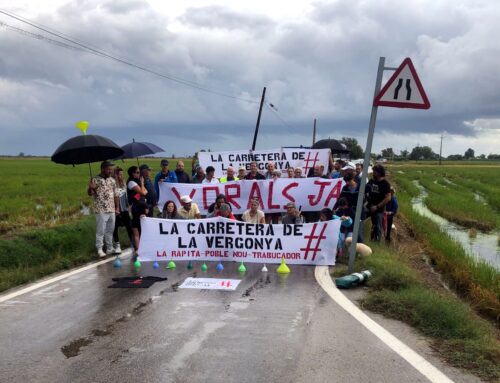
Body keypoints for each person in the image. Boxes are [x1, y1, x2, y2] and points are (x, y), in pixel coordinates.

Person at [87, 161, 120, 257]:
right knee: (101, 230)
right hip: (100, 208)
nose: (110, 171)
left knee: (110, 230)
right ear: (102, 169)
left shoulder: (112, 180)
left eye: (111, 169)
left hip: (111, 208)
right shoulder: (95, 179)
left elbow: (116, 194)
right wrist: (90, 188)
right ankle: (100, 249)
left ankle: (110, 248)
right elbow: (90, 193)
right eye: (108, 169)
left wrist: (117, 207)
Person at [366, 164, 391, 242]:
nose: (373, 173)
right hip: (369, 206)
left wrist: (377, 207)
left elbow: (388, 198)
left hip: (379, 209)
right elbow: (365, 190)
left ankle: (376, 243)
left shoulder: (385, 184)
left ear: (380, 173)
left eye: (375, 172)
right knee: (360, 216)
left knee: (377, 226)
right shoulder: (371, 181)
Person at [112, 167, 134, 253]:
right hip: (115, 210)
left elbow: (126, 196)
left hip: (124, 209)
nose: (121, 176)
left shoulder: (124, 183)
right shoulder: (112, 184)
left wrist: (129, 206)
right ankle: (117, 245)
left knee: (129, 226)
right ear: (115, 175)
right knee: (115, 228)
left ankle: (133, 243)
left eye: (122, 174)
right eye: (119, 174)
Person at [126, 166, 148, 251]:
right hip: (136, 208)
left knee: (142, 229)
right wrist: (142, 184)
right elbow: (143, 192)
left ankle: (143, 247)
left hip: (141, 206)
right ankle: (138, 249)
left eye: (139, 172)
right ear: (133, 173)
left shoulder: (137, 182)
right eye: (137, 172)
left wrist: (138, 194)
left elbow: (146, 192)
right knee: (136, 230)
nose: (139, 174)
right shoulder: (131, 182)